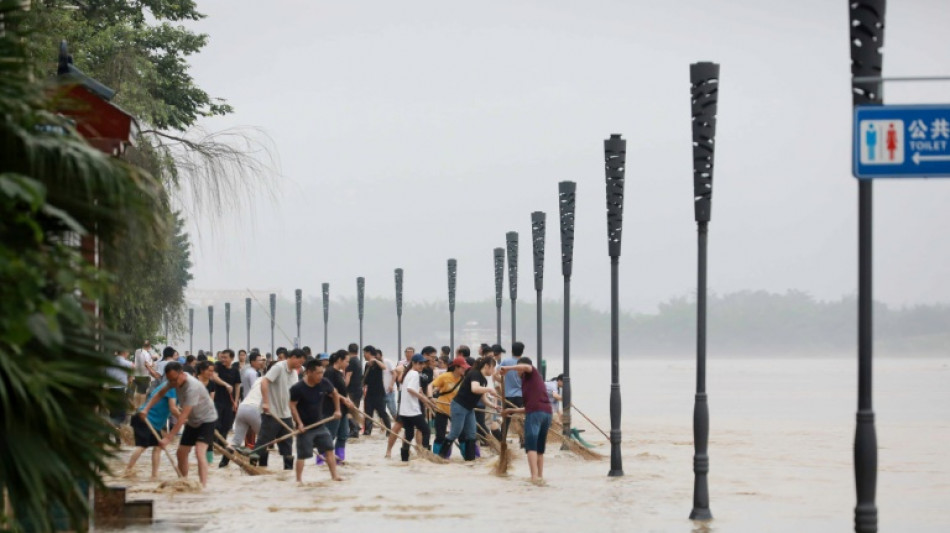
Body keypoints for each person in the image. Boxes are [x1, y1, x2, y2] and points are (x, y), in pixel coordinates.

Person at [142, 362, 218, 487]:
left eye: (174, 379)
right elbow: (160, 394)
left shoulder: (192, 387)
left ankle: (203, 487)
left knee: (199, 452)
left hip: (206, 419)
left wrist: (168, 438)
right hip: (193, 420)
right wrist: (146, 408)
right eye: (170, 380)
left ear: (181, 374)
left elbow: (183, 416)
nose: (173, 383)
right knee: (181, 453)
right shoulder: (174, 380)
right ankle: (183, 482)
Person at [500, 357, 553, 485]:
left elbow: (526, 367)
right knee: (539, 448)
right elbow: (530, 406)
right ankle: (539, 477)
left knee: (531, 447)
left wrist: (507, 368)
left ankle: (534, 478)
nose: (517, 372)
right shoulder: (529, 382)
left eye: (518, 369)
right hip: (546, 413)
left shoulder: (532, 372)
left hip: (535, 414)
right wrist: (511, 410)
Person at [289, 359, 343, 482]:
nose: (321, 376)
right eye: (318, 373)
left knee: (329, 449)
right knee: (302, 455)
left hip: (320, 425)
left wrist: (337, 410)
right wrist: (299, 423)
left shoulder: (324, 382)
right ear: (309, 372)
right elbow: (292, 405)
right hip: (305, 428)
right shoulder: (298, 388)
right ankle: (298, 481)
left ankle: (334, 476)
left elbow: (335, 393)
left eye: (322, 372)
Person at [440, 356, 498, 461]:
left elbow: (483, 398)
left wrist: (493, 406)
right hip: (459, 406)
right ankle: (441, 456)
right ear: (487, 366)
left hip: (469, 408)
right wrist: (489, 389)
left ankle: (470, 459)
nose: (494, 370)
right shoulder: (475, 374)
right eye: (493, 367)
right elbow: (475, 389)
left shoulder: (483, 380)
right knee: (455, 432)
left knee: (471, 433)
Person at [127, 368, 180, 479]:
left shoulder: (171, 386)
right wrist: (184, 419)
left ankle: (154, 476)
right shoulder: (172, 387)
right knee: (142, 446)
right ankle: (128, 471)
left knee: (157, 447)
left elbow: (177, 407)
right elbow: (173, 408)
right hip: (145, 418)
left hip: (153, 422)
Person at [257, 348, 306, 469]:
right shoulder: (278, 367)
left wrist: (299, 420)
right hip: (271, 413)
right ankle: (258, 470)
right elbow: (264, 382)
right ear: (293, 357)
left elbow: (294, 396)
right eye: (300, 362)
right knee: (263, 443)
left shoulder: (294, 373)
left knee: (287, 446)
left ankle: (287, 473)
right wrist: (266, 403)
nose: (300, 365)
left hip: (286, 415)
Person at [390, 353, 432, 461]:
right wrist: (422, 398)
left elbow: (413, 388)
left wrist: (423, 395)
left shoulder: (408, 373)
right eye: (420, 363)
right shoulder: (414, 374)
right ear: (413, 363)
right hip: (412, 411)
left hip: (404, 411)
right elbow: (410, 389)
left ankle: (404, 459)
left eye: (423, 363)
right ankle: (425, 456)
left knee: (409, 435)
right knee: (426, 431)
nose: (422, 366)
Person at [430, 349, 470, 456]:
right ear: (456, 367)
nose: (465, 369)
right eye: (463, 368)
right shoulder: (445, 376)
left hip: (456, 411)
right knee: (440, 435)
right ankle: (437, 457)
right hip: (442, 409)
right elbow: (431, 385)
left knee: (462, 435)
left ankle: (467, 457)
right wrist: (430, 397)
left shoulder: (465, 379)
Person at [221, 372, 264, 468]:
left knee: (236, 441)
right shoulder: (273, 382)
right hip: (255, 409)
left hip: (243, 407)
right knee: (263, 440)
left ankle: (222, 465)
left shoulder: (258, 380)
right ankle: (256, 467)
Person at [321, 350, 355, 464]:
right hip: (332, 410)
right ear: (339, 360)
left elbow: (343, 391)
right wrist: (343, 399)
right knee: (329, 436)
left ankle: (339, 460)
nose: (348, 364)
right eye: (346, 361)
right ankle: (321, 462)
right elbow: (329, 391)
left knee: (343, 435)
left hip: (343, 410)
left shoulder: (339, 373)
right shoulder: (329, 372)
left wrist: (348, 400)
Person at [213, 350, 241, 467]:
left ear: (232, 358)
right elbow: (214, 377)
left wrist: (236, 401)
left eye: (225, 358)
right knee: (216, 425)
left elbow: (237, 386)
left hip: (229, 403)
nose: (223, 359)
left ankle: (222, 447)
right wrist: (226, 384)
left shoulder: (235, 370)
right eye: (222, 357)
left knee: (226, 426)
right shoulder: (218, 366)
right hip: (217, 401)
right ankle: (214, 447)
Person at [498, 341, 526, 445]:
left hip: (508, 395)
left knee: (506, 419)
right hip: (521, 395)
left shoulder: (506, 361)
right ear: (522, 351)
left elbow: (496, 373)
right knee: (521, 418)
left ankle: (502, 441)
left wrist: (503, 382)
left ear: (512, 350)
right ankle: (523, 441)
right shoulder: (525, 363)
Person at [361, 345, 392, 435]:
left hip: (379, 393)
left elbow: (384, 367)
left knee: (382, 412)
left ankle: (389, 431)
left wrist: (375, 360)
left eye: (365, 353)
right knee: (368, 413)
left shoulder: (378, 363)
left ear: (368, 353)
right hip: (369, 393)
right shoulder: (367, 365)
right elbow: (365, 379)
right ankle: (367, 432)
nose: (364, 355)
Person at [106, 350, 134, 428]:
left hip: (110, 389)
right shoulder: (127, 363)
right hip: (120, 389)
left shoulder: (109, 362)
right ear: (125, 352)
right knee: (121, 412)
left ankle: (111, 427)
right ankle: (116, 426)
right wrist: (130, 378)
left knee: (113, 411)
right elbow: (133, 367)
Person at [344, 343, 363, 437]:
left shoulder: (351, 361)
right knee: (354, 411)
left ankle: (354, 430)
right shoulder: (358, 361)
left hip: (352, 390)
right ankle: (356, 428)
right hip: (358, 389)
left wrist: (343, 388)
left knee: (348, 411)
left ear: (349, 351)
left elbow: (348, 376)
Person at [132, 340, 155, 408]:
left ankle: (136, 406)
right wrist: (152, 364)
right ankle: (141, 407)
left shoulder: (137, 351)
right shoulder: (147, 354)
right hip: (144, 375)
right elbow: (147, 364)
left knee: (137, 390)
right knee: (143, 392)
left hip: (137, 374)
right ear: (149, 346)